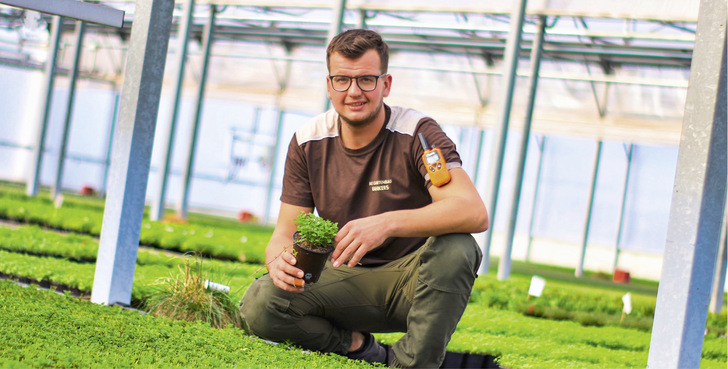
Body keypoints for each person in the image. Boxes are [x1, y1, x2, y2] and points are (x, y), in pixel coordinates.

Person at [240, 29, 488, 368]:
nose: (354, 92)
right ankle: (358, 347)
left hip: (413, 282)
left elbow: (472, 211)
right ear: (329, 85)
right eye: (342, 80)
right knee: (260, 302)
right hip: (344, 277)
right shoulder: (308, 140)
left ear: (385, 85)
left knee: (458, 247)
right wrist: (278, 260)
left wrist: (386, 224)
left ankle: (411, 364)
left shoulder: (417, 132)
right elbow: (284, 233)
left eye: (367, 80)